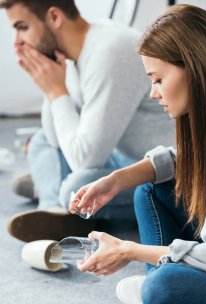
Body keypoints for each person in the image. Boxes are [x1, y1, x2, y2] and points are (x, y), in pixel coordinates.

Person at [69, 4, 206, 304]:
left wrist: (128, 250)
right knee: (151, 190)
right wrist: (117, 179)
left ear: (194, 67)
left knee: (162, 289)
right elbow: (192, 160)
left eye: (157, 79)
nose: (154, 93)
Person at [1, 0, 174, 241]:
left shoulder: (110, 50)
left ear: (54, 17)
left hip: (157, 171)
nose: (17, 42)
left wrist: (55, 92)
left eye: (22, 27)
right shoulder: (72, 52)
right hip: (115, 154)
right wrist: (50, 84)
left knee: (80, 182)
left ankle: (56, 196)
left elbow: (86, 159)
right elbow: (53, 139)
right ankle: (57, 208)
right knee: (41, 142)